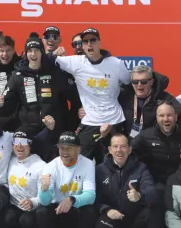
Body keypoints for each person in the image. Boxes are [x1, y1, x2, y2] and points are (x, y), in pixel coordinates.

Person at [53, 28, 130, 161]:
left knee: (111, 165)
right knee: (79, 162)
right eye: (85, 41)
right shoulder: (76, 62)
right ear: (82, 46)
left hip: (113, 121)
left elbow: (130, 85)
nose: (89, 44)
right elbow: (46, 61)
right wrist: (53, 54)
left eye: (93, 40)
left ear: (100, 43)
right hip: (90, 122)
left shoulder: (116, 63)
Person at [0, 33, 71, 161]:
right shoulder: (17, 75)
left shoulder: (53, 72)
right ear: (26, 54)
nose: (33, 54)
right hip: (27, 130)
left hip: (51, 129)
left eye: (36, 50)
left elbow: (72, 94)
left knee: (50, 168)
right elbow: (7, 103)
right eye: (30, 51)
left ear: (42, 53)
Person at [36, 131, 97, 228]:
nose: (64, 152)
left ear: (78, 150)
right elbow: (45, 201)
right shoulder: (50, 166)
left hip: (76, 209)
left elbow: (91, 196)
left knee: (89, 211)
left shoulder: (88, 164)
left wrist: (72, 199)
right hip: (57, 211)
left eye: (69, 148)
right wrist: (44, 189)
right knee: (42, 212)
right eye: (61, 148)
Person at [95, 133, 157, 228]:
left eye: (123, 146)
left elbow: (152, 191)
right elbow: (94, 197)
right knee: (101, 224)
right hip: (113, 217)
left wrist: (139, 196)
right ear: (110, 149)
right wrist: (106, 209)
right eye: (115, 146)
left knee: (152, 213)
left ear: (129, 149)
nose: (119, 150)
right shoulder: (99, 170)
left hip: (135, 219)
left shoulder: (141, 168)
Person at [120, 67, 181, 140]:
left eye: (144, 81)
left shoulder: (165, 98)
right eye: (135, 81)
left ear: (151, 82)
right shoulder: (124, 97)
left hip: (154, 146)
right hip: (127, 146)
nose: (139, 85)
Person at [3, 132, 45, 228]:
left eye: (23, 143)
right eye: (16, 142)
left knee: (26, 221)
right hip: (13, 205)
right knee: (6, 219)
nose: (19, 146)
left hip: (32, 207)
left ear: (30, 145)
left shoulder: (40, 165)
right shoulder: (10, 160)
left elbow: (46, 194)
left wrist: (33, 202)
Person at [42, 26, 83, 133]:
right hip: (38, 113)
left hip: (60, 115)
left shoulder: (66, 62)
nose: (51, 39)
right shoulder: (34, 57)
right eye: (47, 36)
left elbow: (74, 96)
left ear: (59, 40)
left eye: (54, 37)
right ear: (43, 39)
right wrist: (52, 55)